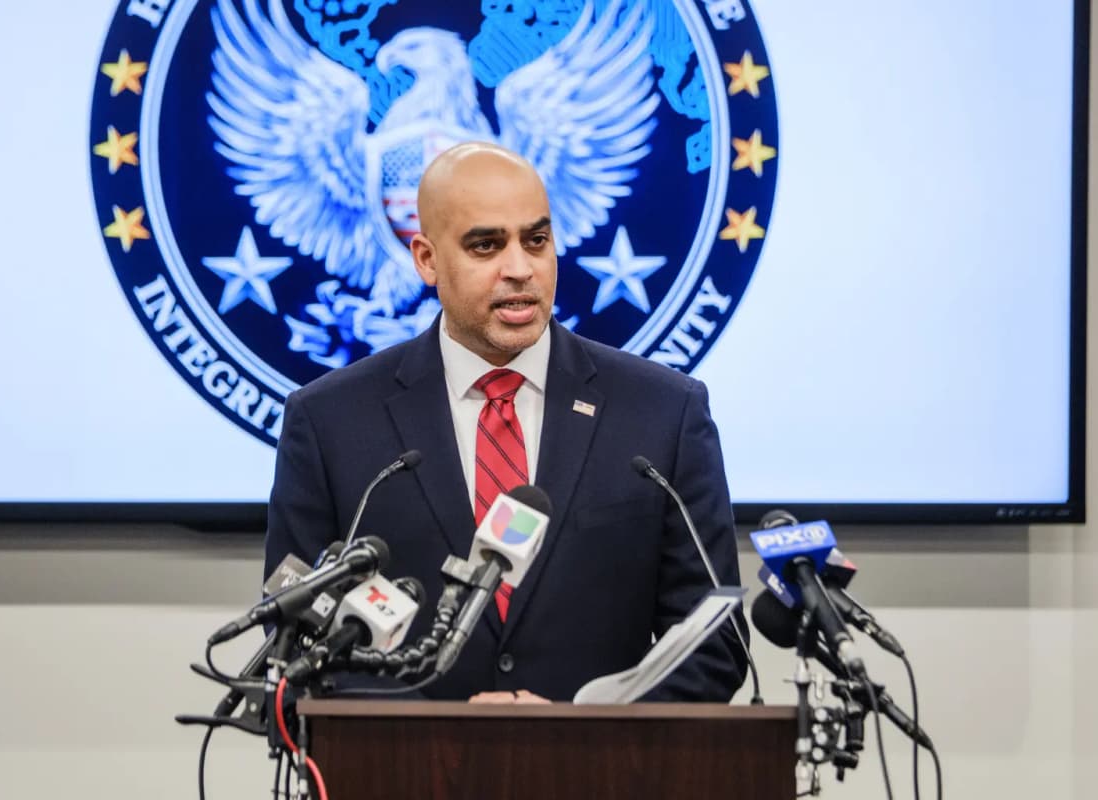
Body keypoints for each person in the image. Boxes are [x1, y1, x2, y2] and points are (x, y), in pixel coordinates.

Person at [264, 142, 748, 702]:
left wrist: (582, 737)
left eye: (536, 241)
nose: (519, 269)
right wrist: (440, 739)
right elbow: (297, 637)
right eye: (486, 245)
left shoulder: (663, 412)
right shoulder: (330, 421)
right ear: (426, 259)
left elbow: (715, 645)